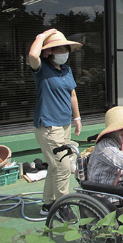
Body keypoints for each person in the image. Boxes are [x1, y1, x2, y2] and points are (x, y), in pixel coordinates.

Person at [28, 29, 83, 216]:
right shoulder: (41, 68)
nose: (64, 53)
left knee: (54, 166)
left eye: (65, 49)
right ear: (49, 52)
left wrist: (77, 118)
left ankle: (48, 204)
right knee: (63, 166)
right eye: (59, 50)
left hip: (65, 123)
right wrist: (41, 36)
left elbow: (72, 94)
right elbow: (32, 55)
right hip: (49, 125)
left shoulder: (66, 70)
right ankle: (62, 206)